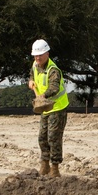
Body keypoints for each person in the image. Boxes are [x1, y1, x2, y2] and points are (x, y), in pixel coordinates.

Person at [28, 39, 69, 177]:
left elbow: (54, 87)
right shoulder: (35, 64)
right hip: (45, 107)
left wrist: (43, 96)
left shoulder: (53, 70)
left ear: (47, 53)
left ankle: (55, 168)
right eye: (35, 55)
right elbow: (32, 74)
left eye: (40, 55)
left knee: (53, 137)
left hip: (57, 107)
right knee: (42, 137)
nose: (37, 58)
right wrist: (31, 81)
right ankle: (44, 165)